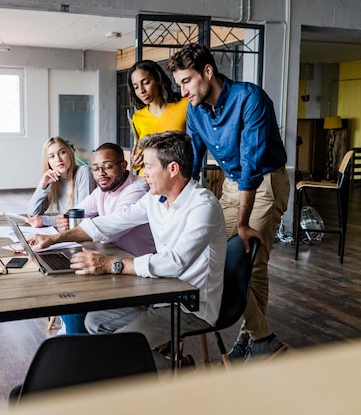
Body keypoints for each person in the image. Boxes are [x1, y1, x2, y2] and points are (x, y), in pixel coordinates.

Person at [27, 131, 226, 351]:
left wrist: (111, 264)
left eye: (149, 167)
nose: (144, 174)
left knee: (118, 350)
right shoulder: (154, 199)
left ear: (172, 169)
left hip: (190, 306)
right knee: (94, 322)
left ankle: (163, 372)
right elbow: (111, 222)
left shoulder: (203, 206)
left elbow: (174, 262)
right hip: (157, 292)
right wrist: (54, 238)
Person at [167, 43, 291, 360]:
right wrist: (178, 203)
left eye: (186, 81)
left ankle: (250, 339)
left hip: (264, 182)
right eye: (179, 83)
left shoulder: (250, 98)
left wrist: (244, 222)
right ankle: (262, 339)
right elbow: (193, 161)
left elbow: (251, 164)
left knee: (254, 264)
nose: (182, 91)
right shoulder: (195, 111)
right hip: (232, 184)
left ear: (208, 71)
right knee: (211, 252)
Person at [55, 142, 156, 334]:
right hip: (114, 264)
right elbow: (78, 212)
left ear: (123, 165)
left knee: (76, 293)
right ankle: (72, 340)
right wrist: (66, 218)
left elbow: (110, 232)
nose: (100, 173)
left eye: (107, 166)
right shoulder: (102, 190)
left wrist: (63, 234)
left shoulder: (137, 189)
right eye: (95, 169)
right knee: (70, 287)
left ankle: (77, 345)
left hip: (138, 272)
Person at [127, 60, 188, 175]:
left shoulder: (184, 105)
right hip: (147, 181)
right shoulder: (137, 117)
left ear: (158, 79)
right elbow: (139, 152)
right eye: (136, 87)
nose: (141, 90)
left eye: (146, 82)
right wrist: (136, 161)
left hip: (176, 178)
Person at [26, 137, 95, 228]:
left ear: (69, 153)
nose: (58, 159)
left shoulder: (84, 172)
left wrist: (45, 220)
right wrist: (42, 186)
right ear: (48, 162)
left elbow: (82, 216)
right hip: (66, 231)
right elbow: (32, 213)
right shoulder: (53, 180)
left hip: (86, 233)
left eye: (62, 152)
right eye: (52, 156)